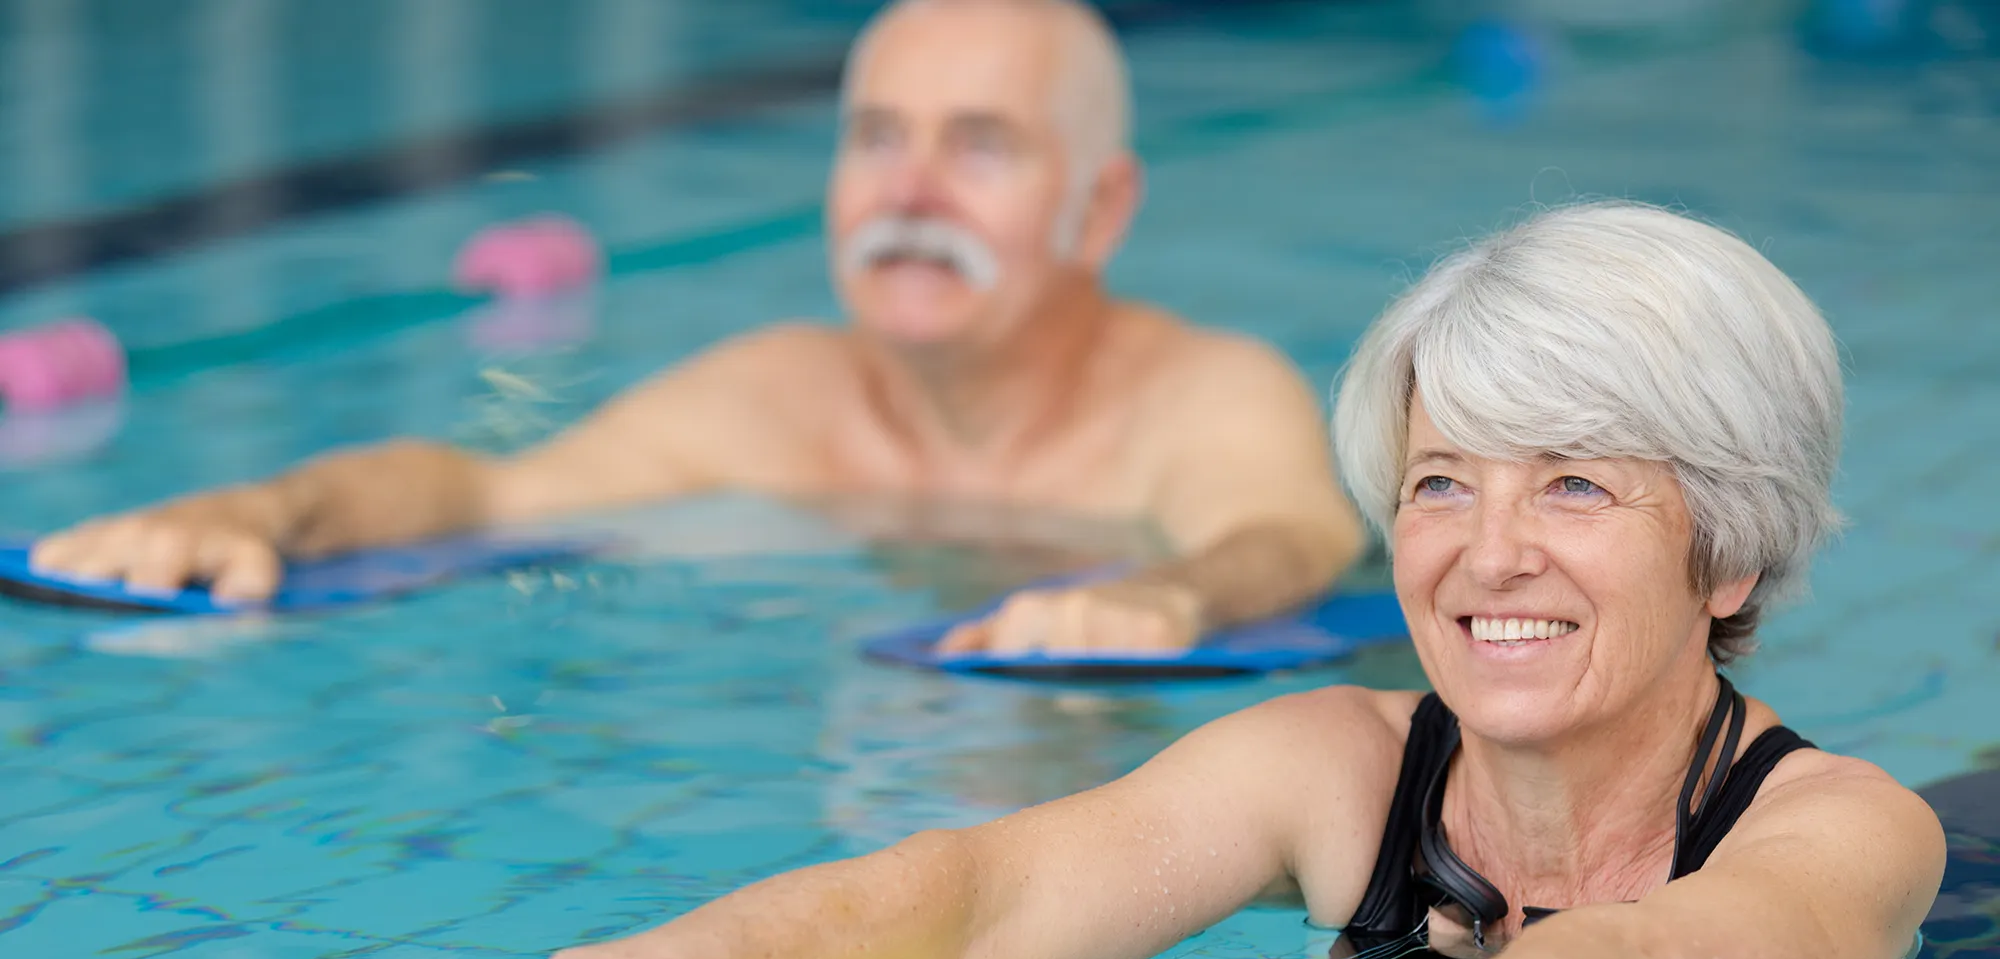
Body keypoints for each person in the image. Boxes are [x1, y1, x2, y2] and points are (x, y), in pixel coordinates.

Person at [374, 203, 1944, 959]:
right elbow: (972, 904)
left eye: (1580, 485)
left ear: (1728, 548)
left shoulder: (1845, 832)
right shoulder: (1337, 774)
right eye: (1441, 483)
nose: (1490, 552)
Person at [28, 0, 1363, 657]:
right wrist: (260, 513)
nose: (909, 194)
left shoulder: (1203, 397)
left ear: (1099, 208)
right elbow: (482, 490)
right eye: (877, 140)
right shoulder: (775, 399)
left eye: (980, 147)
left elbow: (1291, 537)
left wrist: (1169, 594)